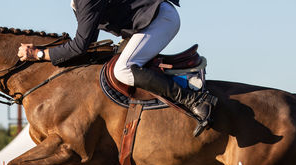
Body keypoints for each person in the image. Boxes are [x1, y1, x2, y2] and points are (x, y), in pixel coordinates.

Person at [18, 0, 216, 136]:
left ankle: (194, 99)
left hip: (158, 20)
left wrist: (38, 54)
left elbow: (81, 45)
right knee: (114, 66)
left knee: (123, 69)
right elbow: (88, 42)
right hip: (146, 22)